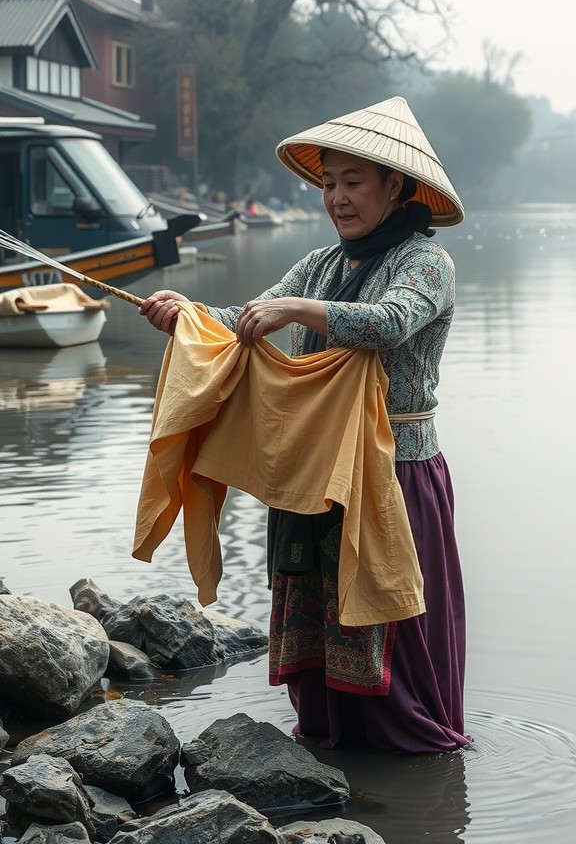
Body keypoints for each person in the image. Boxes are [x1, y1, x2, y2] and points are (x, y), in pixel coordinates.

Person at [139, 95, 470, 754]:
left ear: (394, 186)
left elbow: (387, 323)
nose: (338, 198)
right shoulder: (321, 265)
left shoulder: (425, 263)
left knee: (391, 633)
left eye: (354, 182)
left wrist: (295, 310)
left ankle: (410, 764)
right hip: (315, 469)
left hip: (394, 472)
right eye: (329, 184)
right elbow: (252, 316)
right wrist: (189, 315)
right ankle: (327, 750)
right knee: (317, 625)